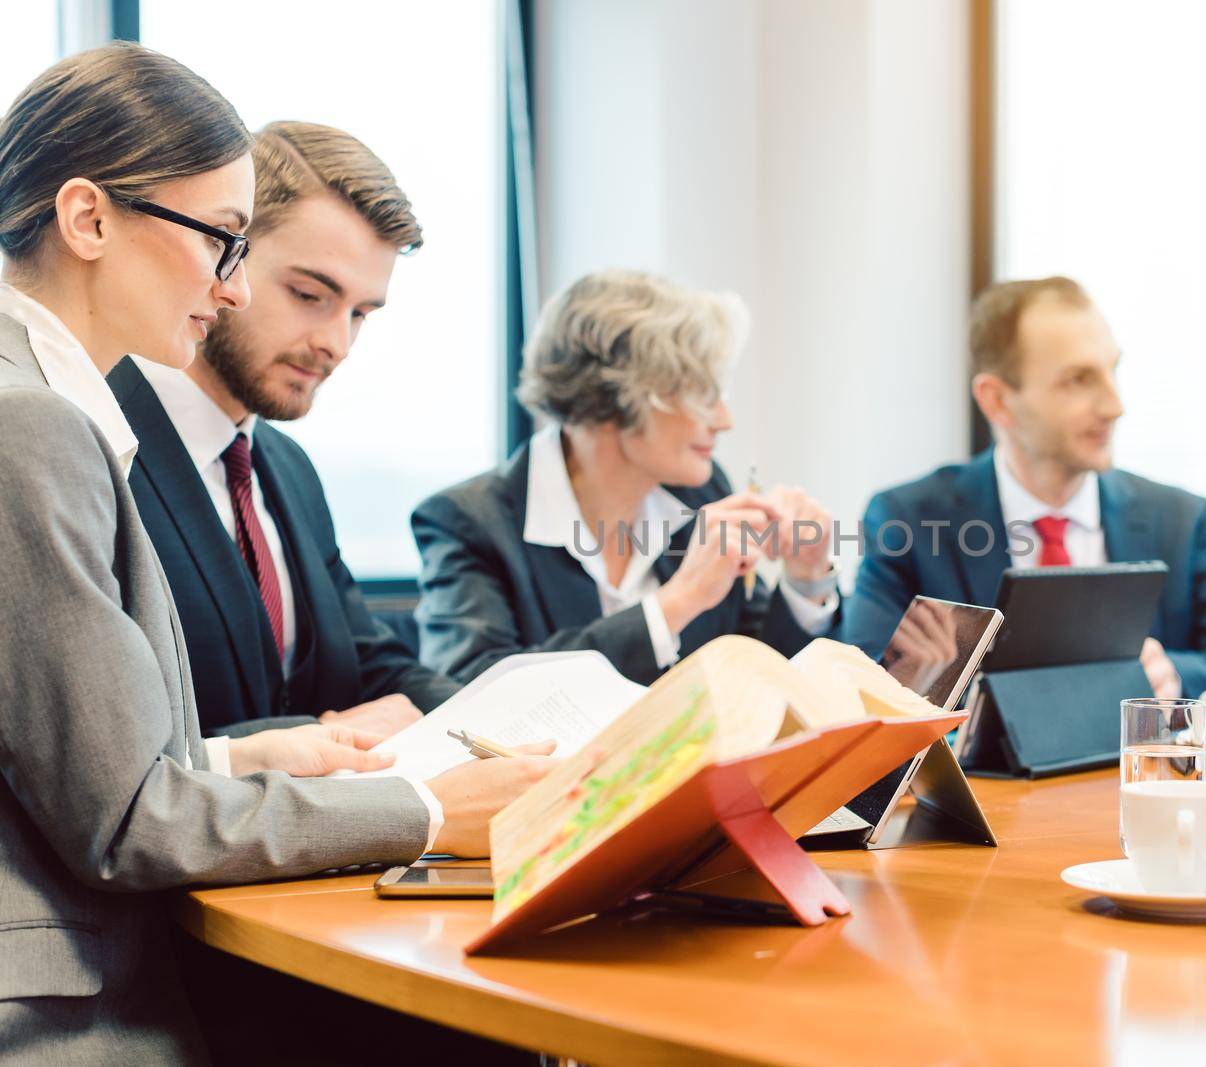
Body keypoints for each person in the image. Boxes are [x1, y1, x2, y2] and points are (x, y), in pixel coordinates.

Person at [0, 44, 552, 1061]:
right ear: (87, 220)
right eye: (222, 241)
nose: (235, 288)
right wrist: (430, 806)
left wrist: (246, 752)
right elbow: (125, 820)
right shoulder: (35, 425)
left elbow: (73, 765)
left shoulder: (72, 417)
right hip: (78, 1011)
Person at [107, 120, 457, 739]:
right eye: (308, 295)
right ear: (227, 259)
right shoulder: (102, 443)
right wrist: (306, 747)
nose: (337, 344)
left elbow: (364, 659)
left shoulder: (286, 468)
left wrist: (496, 720)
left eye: (360, 314)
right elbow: (105, 766)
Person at [841, 275, 1206, 697]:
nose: (1115, 406)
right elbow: (859, 688)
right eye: (1078, 380)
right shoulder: (911, 521)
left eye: (1112, 371)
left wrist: (1170, 673)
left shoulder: (1181, 521)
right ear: (997, 400)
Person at [413, 269, 840, 685]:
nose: (724, 420)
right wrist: (677, 603)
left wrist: (807, 579)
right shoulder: (469, 521)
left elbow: (755, 672)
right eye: (701, 395)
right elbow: (471, 693)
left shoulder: (701, 494)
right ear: (614, 399)